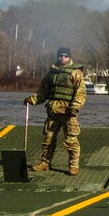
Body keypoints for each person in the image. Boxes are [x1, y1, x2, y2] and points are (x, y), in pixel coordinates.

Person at [24, 46, 85, 176]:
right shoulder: (51, 73)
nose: (63, 58)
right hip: (53, 111)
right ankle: (45, 163)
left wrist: (75, 107)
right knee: (48, 139)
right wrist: (32, 100)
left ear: (69, 57)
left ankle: (73, 165)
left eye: (65, 56)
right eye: (60, 56)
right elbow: (43, 92)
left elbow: (80, 93)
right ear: (57, 57)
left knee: (71, 140)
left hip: (68, 113)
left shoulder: (76, 73)